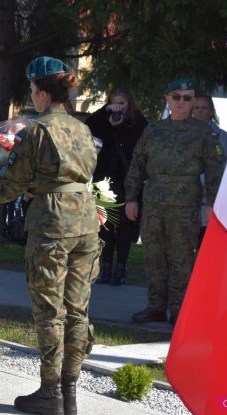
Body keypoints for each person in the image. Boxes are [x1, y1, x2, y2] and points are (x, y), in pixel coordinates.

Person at [0, 56, 100, 415]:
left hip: (52, 225)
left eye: (31, 90)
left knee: (50, 311)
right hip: (86, 223)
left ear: (41, 92)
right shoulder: (82, 130)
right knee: (78, 310)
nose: (32, 96)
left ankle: (50, 392)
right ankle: (70, 392)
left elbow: (11, 186)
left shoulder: (36, 132)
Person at [125, 78, 226, 325]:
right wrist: (131, 198)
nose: (182, 102)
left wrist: (212, 203)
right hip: (154, 202)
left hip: (186, 205)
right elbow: (137, 165)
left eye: (188, 97)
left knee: (181, 256)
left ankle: (179, 309)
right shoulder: (153, 130)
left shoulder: (205, 132)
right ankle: (156, 306)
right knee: (153, 255)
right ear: (167, 99)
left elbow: (215, 170)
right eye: (177, 97)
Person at [84, 88, 148, 285]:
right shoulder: (104, 119)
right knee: (104, 225)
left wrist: (120, 127)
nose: (118, 107)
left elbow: (139, 149)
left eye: (123, 103)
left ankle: (121, 268)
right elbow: (89, 126)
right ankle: (105, 267)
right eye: (115, 102)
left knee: (123, 226)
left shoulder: (137, 122)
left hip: (127, 180)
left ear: (130, 103)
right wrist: (106, 112)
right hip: (104, 178)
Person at [192, 94, 227, 245]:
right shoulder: (183, 132)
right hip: (187, 193)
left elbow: (221, 164)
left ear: (211, 111)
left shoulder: (221, 135)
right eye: (197, 108)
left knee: (206, 241)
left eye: (204, 108)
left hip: (210, 193)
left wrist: (208, 187)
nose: (200, 111)